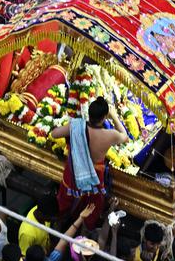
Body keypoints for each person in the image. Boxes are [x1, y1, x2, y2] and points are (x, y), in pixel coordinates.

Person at [51, 97, 126, 227]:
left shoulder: (76, 126)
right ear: (104, 118)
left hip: (73, 175)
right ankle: (84, 228)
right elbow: (124, 136)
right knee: (90, 206)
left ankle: (63, 222)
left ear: (89, 114)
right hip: (93, 180)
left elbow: (54, 134)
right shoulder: (110, 135)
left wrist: (71, 129)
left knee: (68, 202)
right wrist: (114, 116)